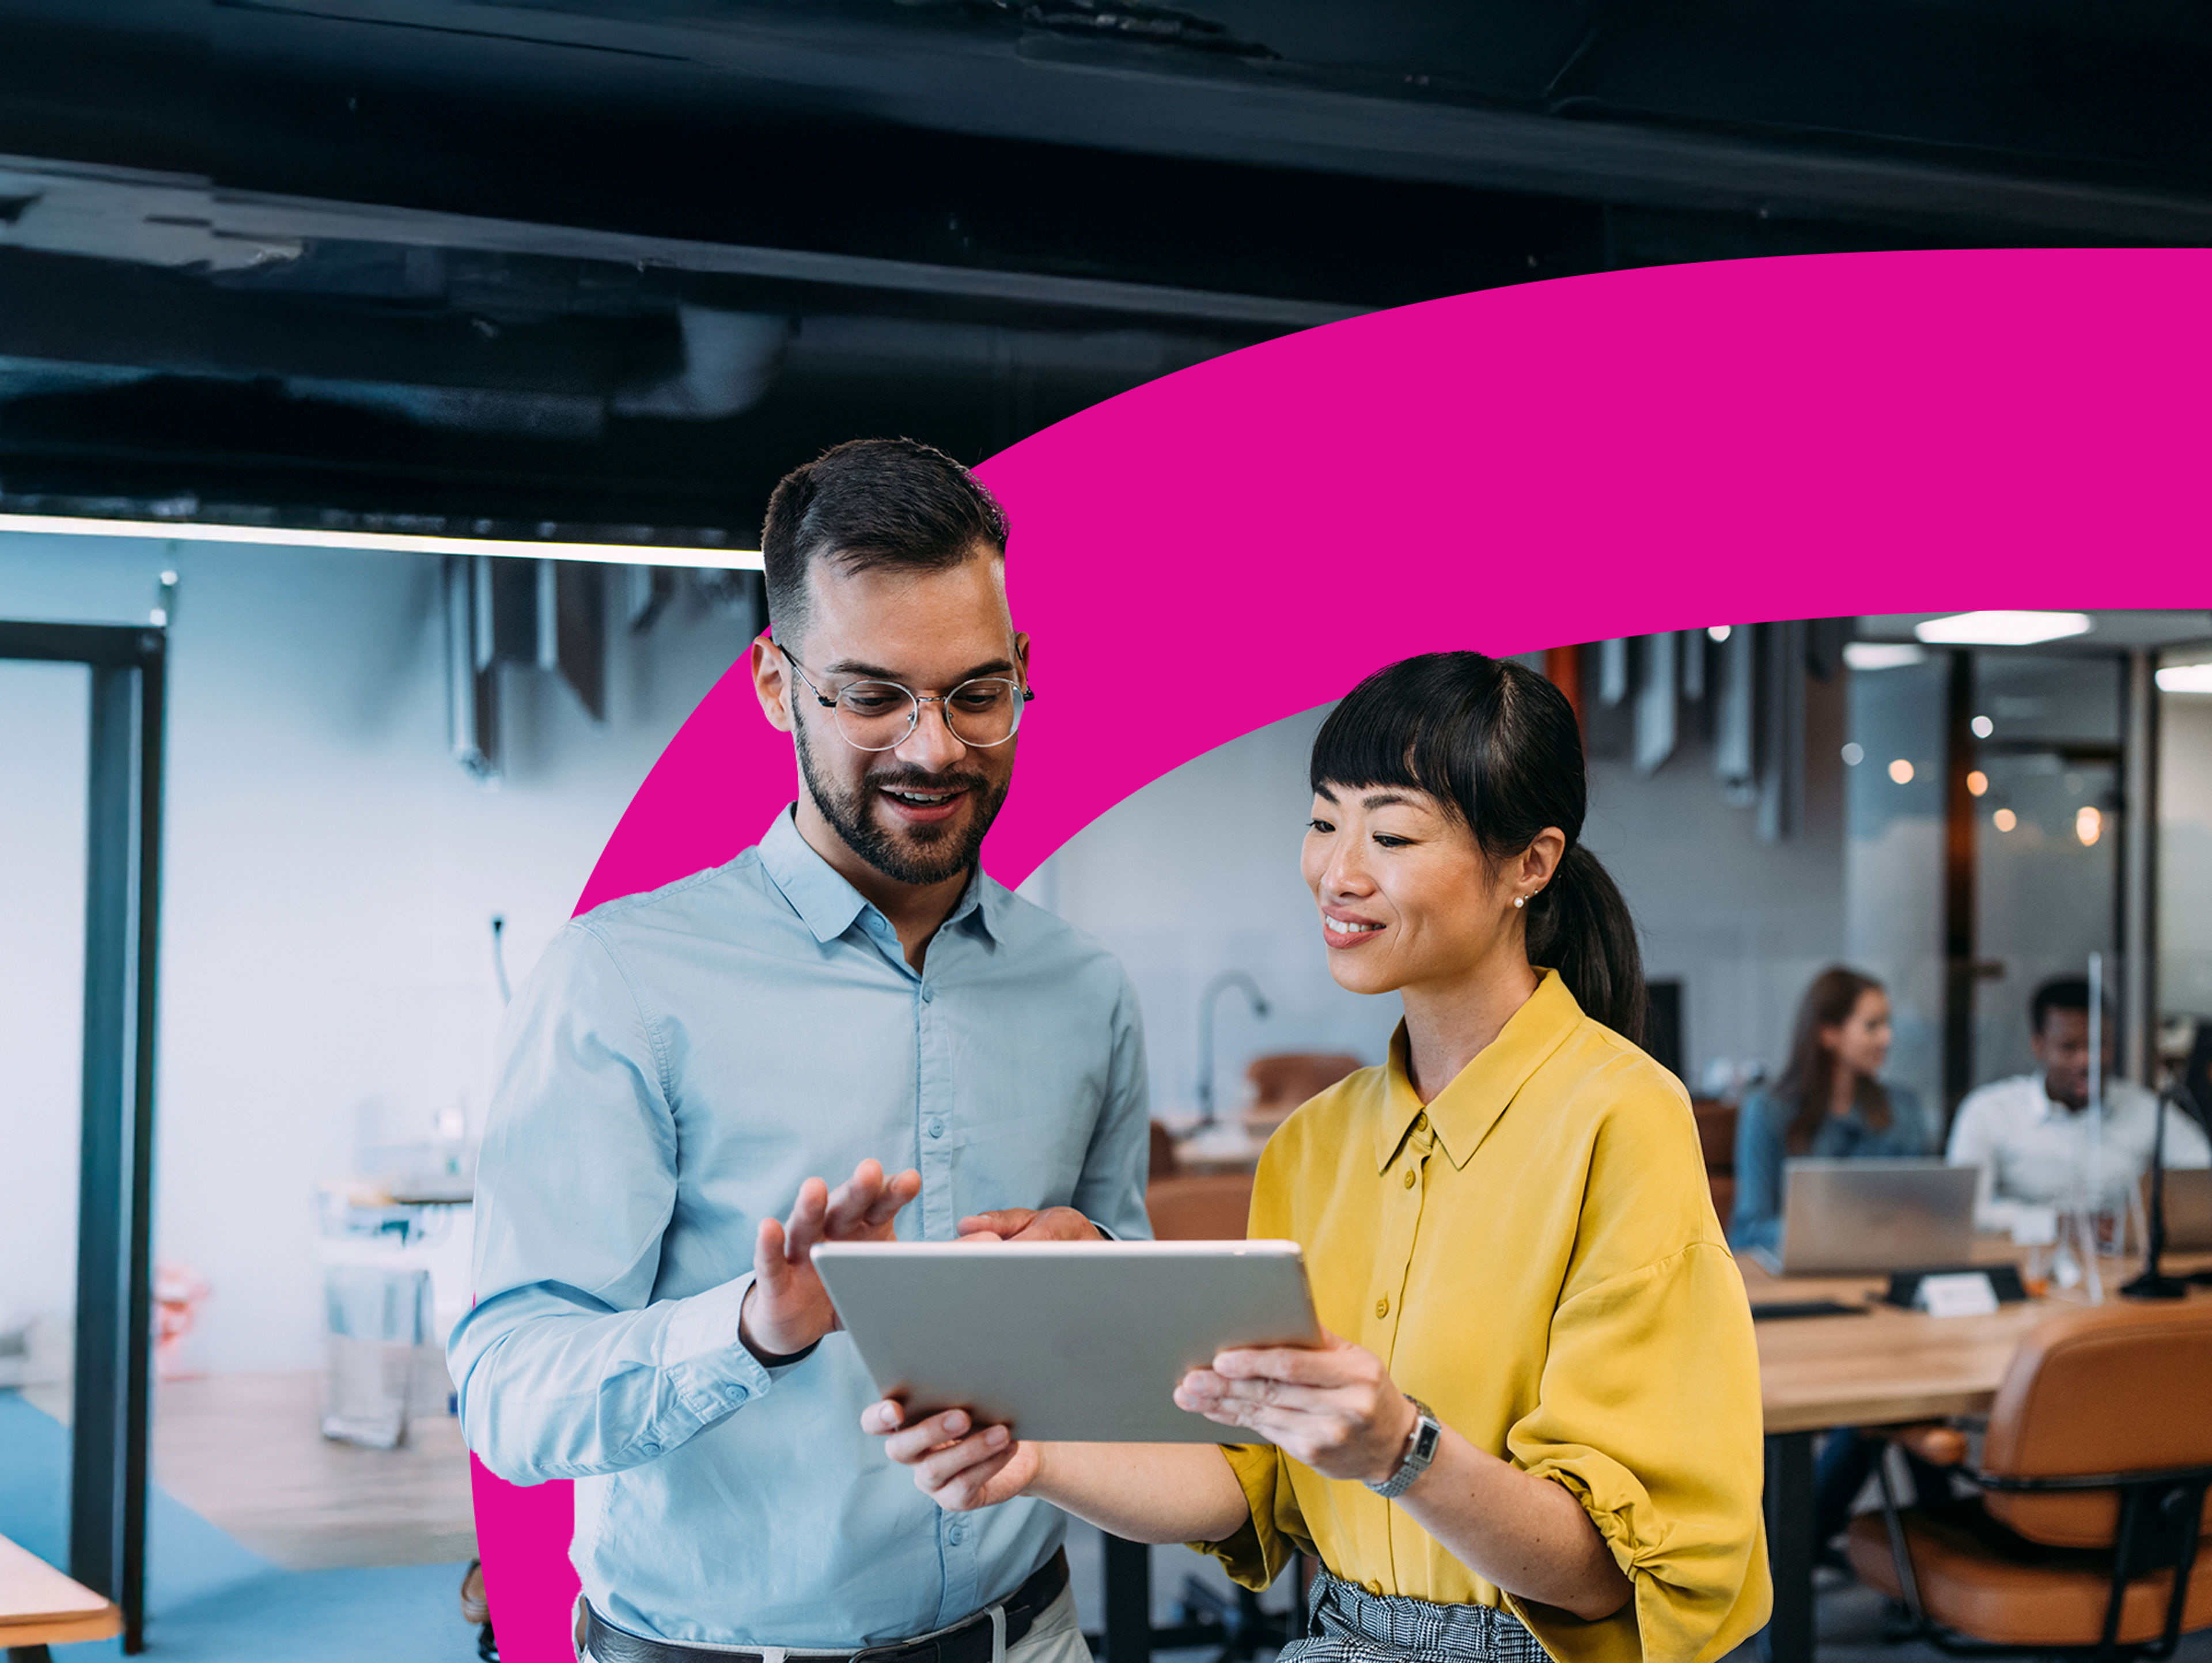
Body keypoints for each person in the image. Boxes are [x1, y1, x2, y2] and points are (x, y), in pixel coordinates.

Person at [872, 653, 1771, 1663]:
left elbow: (1606, 1570)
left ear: (1533, 862)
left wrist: (1403, 1451)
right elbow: (1249, 1477)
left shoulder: (1624, 1117)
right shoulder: (1312, 1144)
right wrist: (1030, 1454)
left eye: (1390, 833)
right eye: (1323, 820)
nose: (1339, 870)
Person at [447, 438, 1152, 1663]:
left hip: (1031, 1639)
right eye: (872, 696)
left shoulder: (1085, 991)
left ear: (1024, 672)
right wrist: (751, 1330)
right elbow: (512, 1392)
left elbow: (1126, 1347)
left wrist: (1093, 1286)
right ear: (777, 684)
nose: (934, 750)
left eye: (976, 695)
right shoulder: (619, 980)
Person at [1947, 975, 2210, 1235]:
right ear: (2039, 1046)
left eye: (2099, 1045)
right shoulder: (1989, 1111)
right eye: (2069, 1048)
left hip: (2120, 1264)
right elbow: (1964, 1212)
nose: (2087, 1061)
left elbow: (2203, 1176)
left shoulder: (2145, 1109)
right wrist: (2060, 1224)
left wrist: (2147, 1220)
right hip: (2025, 1264)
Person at [1727, 967, 1931, 1255]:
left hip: (1885, 1271)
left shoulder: (1904, 1108)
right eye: (1872, 1026)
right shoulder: (1767, 1111)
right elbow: (1749, 1231)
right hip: (1800, 1278)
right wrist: (1842, 1234)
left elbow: (1924, 1218)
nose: (1887, 1038)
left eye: (1888, 1024)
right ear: (1829, 1034)